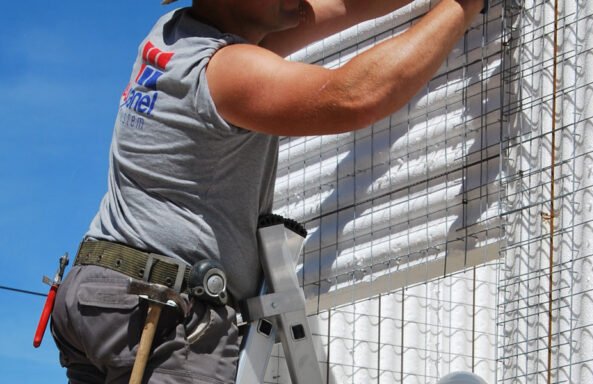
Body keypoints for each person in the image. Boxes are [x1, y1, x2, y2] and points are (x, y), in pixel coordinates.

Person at [50, 0, 486, 382]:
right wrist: (462, 8)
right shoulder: (223, 71)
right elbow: (356, 96)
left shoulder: (171, 36)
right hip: (159, 312)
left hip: (96, 298)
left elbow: (345, 5)